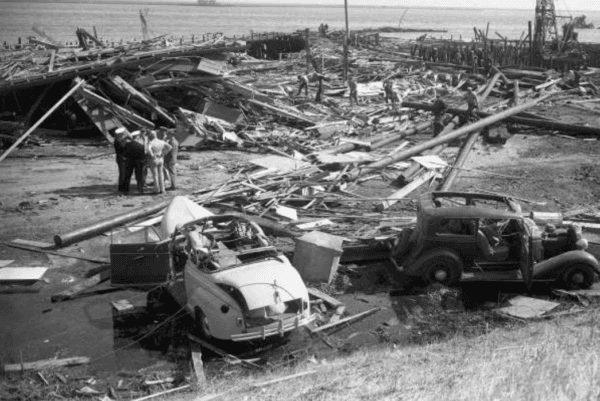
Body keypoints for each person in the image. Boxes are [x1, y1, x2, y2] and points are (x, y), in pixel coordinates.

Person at [146, 129, 172, 195]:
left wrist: (152, 155)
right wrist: (164, 153)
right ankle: (162, 189)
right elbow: (170, 147)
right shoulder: (161, 141)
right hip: (161, 158)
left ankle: (157, 189)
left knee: (155, 175)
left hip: (154, 159)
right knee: (161, 174)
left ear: (151, 136)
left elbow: (148, 149)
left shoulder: (151, 143)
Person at [121, 131, 147, 195]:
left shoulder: (127, 145)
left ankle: (126, 191)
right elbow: (143, 157)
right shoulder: (141, 146)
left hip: (129, 162)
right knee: (139, 177)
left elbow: (124, 155)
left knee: (127, 176)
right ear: (137, 137)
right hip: (138, 163)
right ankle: (140, 190)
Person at [112, 127, 130, 194]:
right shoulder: (118, 141)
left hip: (122, 158)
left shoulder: (119, 140)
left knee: (124, 173)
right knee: (122, 174)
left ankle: (123, 188)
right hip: (121, 159)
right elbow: (123, 148)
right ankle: (122, 189)